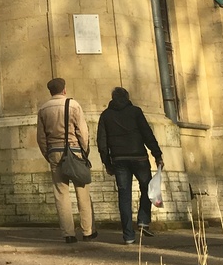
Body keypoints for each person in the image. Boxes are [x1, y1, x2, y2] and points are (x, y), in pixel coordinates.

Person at [96, 86, 163, 244]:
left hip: (119, 159)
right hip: (139, 157)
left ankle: (128, 236)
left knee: (124, 196)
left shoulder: (106, 115)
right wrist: (157, 154)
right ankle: (143, 220)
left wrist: (107, 163)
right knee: (147, 187)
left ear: (112, 98)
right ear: (127, 97)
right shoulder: (135, 112)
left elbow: (102, 143)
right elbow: (147, 134)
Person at [36, 77, 97, 244]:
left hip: (54, 152)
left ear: (51, 91)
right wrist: (85, 151)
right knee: (82, 191)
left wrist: (47, 154)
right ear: (64, 89)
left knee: (61, 193)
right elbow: (83, 132)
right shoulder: (74, 105)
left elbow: (41, 137)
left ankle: (68, 234)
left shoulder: (43, 109)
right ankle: (87, 231)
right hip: (74, 150)